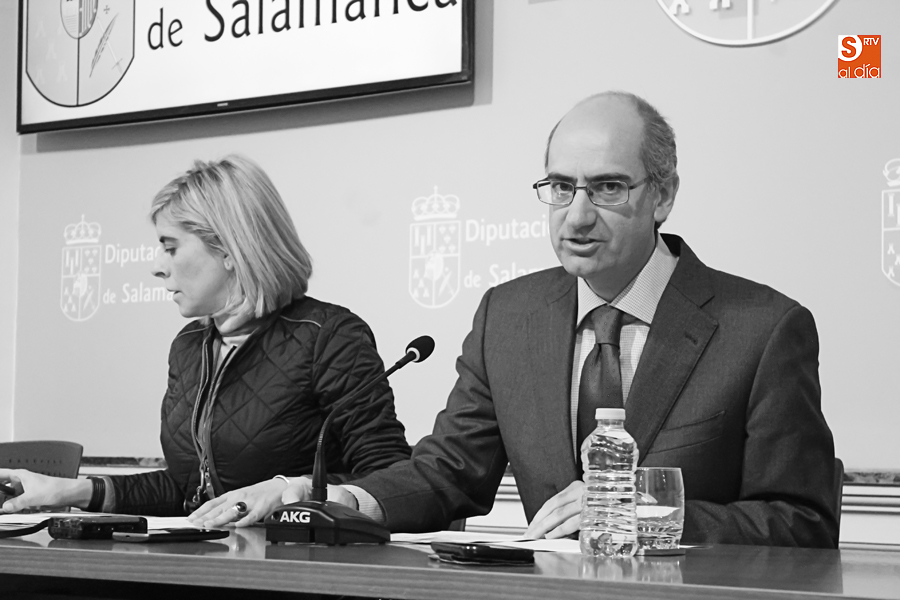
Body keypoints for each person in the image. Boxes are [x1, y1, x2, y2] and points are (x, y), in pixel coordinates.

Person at [280, 92, 839, 547]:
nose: (576, 217)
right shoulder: (508, 315)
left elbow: (803, 521)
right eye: (561, 188)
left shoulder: (761, 329)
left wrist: (643, 514)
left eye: (608, 187)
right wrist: (345, 501)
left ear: (663, 196)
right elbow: (449, 471)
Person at [0, 155, 411, 526]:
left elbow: (390, 478)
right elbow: (188, 491)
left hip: (299, 564)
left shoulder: (329, 337)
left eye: (170, 248)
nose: (156, 267)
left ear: (230, 250)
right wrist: (66, 490)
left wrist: (292, 489)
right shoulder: (190, 345)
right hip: (213, 560)